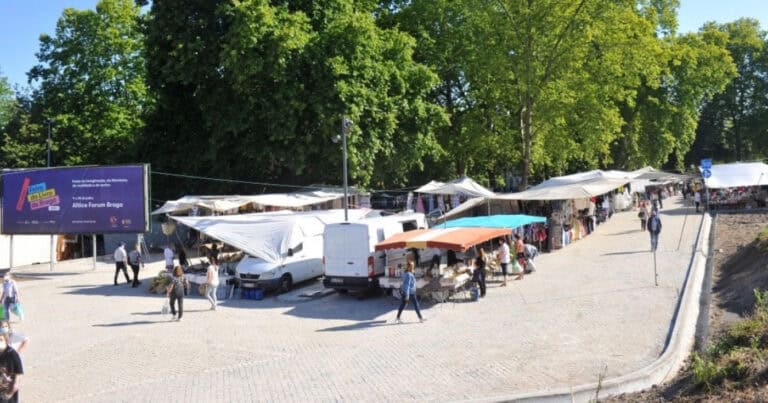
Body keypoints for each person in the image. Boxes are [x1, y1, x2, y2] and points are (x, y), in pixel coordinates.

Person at [0, 331, 22, 403]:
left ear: (6, 341)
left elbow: (18, 372)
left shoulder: (12, 354)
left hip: (8, 390)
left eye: (1, 340)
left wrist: (15, 385)